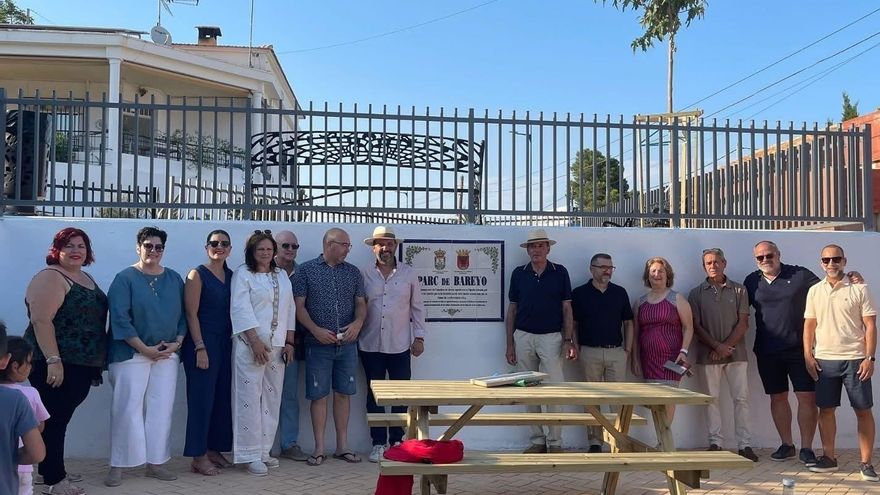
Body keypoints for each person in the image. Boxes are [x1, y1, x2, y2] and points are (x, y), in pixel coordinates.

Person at [23, 227, 107, 495]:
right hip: (55, 362)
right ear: (56, 250)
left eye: (81, 246)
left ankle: (48, 469)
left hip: (80, 364)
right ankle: (54, 481)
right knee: (54, 419)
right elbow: (41, 320)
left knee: (59, 418)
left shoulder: (84, 277)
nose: (76, 251)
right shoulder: (51, 277)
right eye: (69, 245)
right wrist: (53, 360)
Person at [105, 226, 187, 487]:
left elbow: (184, 316)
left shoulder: (174, 279)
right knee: (126, 408)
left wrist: (177, 343)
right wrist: (144, 348)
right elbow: (120, 317)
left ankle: (156, 462)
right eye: (148, 245)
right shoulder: (124, 278)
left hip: (166, 354)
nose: (153, 251)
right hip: (131, 353)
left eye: (159, 247)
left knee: (161, 409)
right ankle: (118, 464)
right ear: (138, 247)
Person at [292, 227, 366, 466]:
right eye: (344, 245)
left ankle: (342, 446)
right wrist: (314, 330)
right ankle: (319, 448)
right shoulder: (305, 271)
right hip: (318, 345)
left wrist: (358, 323)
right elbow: (299, 307)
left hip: (347, 345)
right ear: (330, 244)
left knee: (343, 394)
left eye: (349, 246)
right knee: (319, 396)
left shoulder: (353, 273)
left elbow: (361, 303)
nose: (347, 250)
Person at [803, 244, 878, 481]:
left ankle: (866, 463)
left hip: (856, 360)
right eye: (826, 260)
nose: (831, 264)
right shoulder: (814, 291)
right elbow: (809, 326)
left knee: (863, 411)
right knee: (825, 410)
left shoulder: (860, 289)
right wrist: (808, 355)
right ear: (821, 263)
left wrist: (869, 357)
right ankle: (829, 458)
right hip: (825, 360)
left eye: (836, 259)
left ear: (844, 261)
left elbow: (870, 326)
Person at [743, 240, 820, 465]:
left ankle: (807, 448)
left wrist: (850, 277)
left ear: (778, 254)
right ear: (756, 260)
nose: (765, 260)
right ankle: (787, 445)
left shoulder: (800, 275)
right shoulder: (751, 281)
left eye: (769, 255)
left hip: (800, 350)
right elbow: (736, 309)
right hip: (767, 351)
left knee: (806, 397)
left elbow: (827, 290)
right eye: (760, 257)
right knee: (778, 397)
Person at [230, 230, 296, 476]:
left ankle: (263, 451)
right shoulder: (243, 274)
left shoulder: (281, 276)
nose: (266, 253)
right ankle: (248, 454)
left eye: (269, 249)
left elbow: (289, 310)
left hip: (277, 346)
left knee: (271, 398)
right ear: (252, 252)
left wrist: (289, 342)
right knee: (248, 398)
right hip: (250, 346)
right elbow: (240, 308)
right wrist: (254, 341)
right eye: (261, 250)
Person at [505, 229, 577, 454]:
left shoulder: (560, 272)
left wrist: (568, 339)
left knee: (554, 390)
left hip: (552, 338)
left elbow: (567, 307)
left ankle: (555, 442)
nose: (536, 250)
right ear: (527, 250)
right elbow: (512, 309)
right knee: (528, 391)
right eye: (532, 246)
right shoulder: (519, 273)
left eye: (540, 245)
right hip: (523, 336)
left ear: (548, 248)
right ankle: (537, 440)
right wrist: (510, 343)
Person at [360, 226, 427, 462]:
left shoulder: (408, 274)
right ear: (373, 248)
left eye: (389, 244)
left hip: (399, 345)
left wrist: (419, 337)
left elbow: (417, 307)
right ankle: (378, 443)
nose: (385, 248)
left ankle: (398, 441)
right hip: (369, 345)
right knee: (374, 396)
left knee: (400, 394)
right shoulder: (364, 274)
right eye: (380, 244)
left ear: (395, 246)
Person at [688, 248, 757, 462]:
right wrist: (717, 346)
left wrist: (726, 346)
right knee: (711, 400)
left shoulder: (739, 290)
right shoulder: (696, 293)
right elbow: (696, 327)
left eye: (716, 261)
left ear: (724, 263)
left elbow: (743, 322)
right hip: (708, 355)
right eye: (708, 262)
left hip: (736, 354)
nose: (713, 265)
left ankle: (744, 445)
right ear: (704, 266)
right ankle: (715, 443)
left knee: (741, 400)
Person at [182, 230, 234, 476]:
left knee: (221, 398)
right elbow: (191, 314)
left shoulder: (232, 276)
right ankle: (198, 455)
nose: (219, 247)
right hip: (202, 343)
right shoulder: (197, 275)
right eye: (214, 243)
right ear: (207, 247)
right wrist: (200, 347)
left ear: (230, 249)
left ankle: (214, 449)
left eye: (224, 244)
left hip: (226, 343)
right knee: (201, 400)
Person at [570, 253, 633, 454]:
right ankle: (595, 442)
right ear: (592, 269)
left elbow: (628, 322)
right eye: (603, 267)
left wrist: (628, 349)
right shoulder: (579, 293)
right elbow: (573, 323)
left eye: (610, 267)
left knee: (618, 399)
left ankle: (617, 439)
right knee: (592, 398)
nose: (607, 270)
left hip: (616, 352)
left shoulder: (620, 292)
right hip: (589, 352)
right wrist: (576, 345)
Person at [632, 257, 694, 421]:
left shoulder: (677, 299)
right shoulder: (640, 302)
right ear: (648, 275)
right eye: (653, 271)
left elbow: (688, 327)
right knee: (654, 400)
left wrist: (684, 351)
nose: (657, 274)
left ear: (668, 275)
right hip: (649, 360)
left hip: (672, 360)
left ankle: (665, 440)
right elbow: (636, 334)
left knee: (668, 399)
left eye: (661, 271)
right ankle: (661, 440)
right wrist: (635, 359)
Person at [274, 230, 308, 462]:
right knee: (260, 396)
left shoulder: (303, 272)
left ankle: (289, 443)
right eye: (285, 245)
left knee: (289, 396)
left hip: (292, 344)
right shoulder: (261, 270)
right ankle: (259, 445)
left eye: (294, 246)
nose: (290, 250)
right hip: (264, 344)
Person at [0, 337, 50, 495]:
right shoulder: (19, 398)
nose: (30, 367)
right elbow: (37, 451)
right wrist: (11, 455)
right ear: (8, 362)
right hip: (12, 472)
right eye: (28, 362)